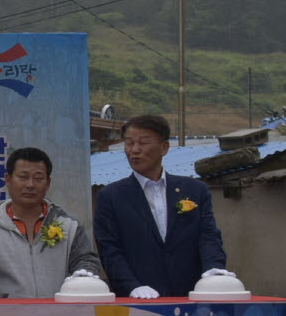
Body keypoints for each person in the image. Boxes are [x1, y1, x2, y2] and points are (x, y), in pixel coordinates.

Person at [94, 113, 231, 298]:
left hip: (191, 298)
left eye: (143, 143)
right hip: (138, 302)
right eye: (129, 143)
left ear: (164, 147)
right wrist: (132, 286)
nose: (134, 150)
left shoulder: (195, 190)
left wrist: (214, 271)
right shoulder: (111, 196)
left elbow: (208, 236)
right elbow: (109, 249)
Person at [0, 146, 102, 299]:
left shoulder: (69, 226)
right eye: (23, 177)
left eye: (38, 178)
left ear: (48, 183)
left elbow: (85, 260)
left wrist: (85, 273)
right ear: (8, 179)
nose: (30, 185)